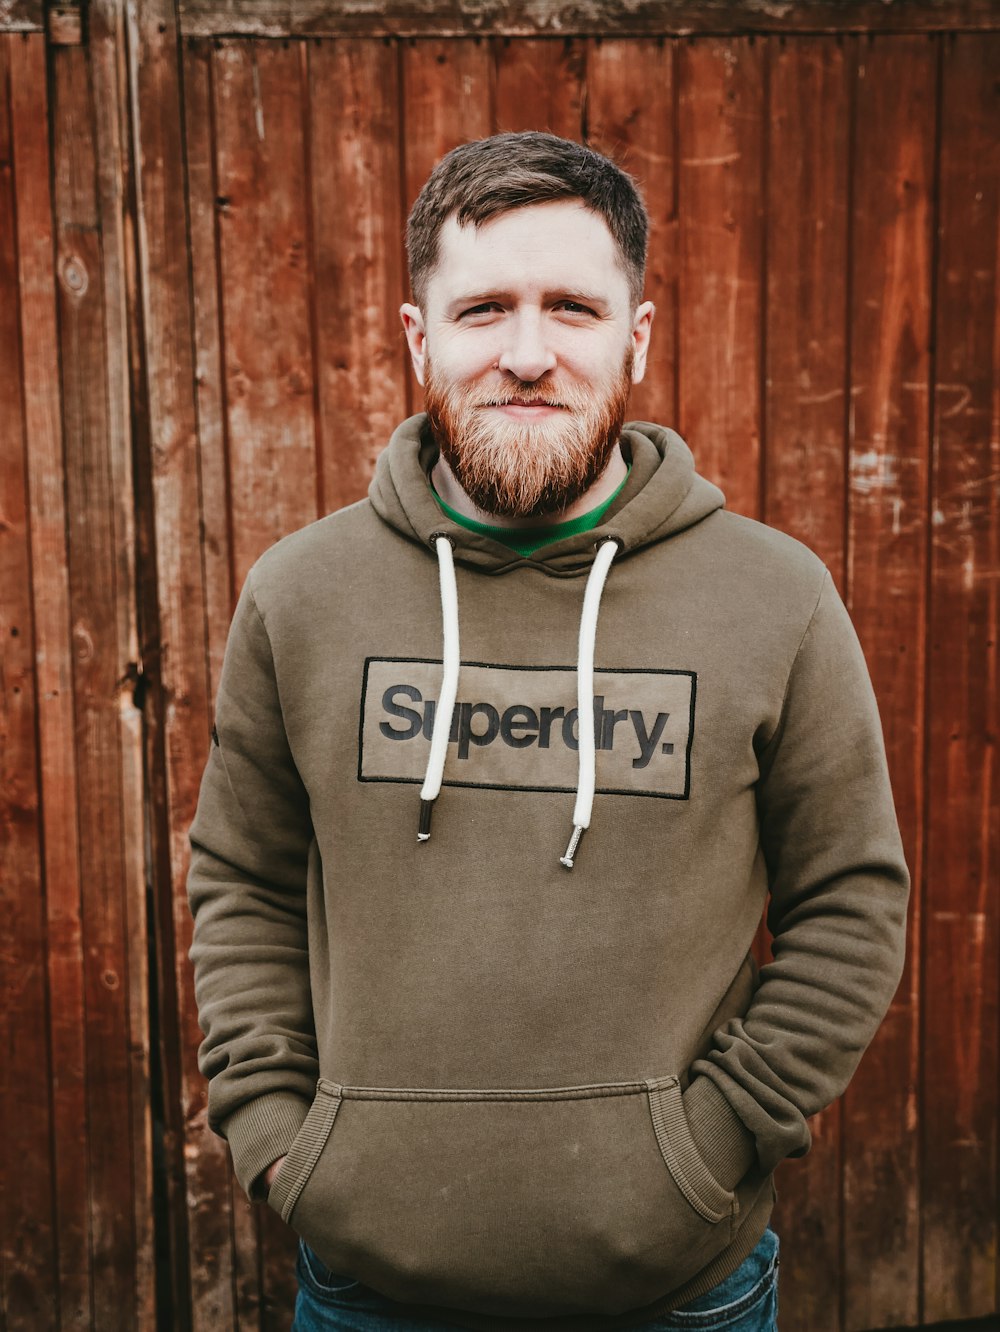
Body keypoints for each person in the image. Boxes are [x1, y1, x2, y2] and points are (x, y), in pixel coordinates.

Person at [187, 132, 909, 1332]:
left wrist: (706, 1147)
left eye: (571, 307)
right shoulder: (299, 595)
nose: (527, 354)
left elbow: (852, 903)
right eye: (482, 310)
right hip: (369, 1288)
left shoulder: (773, 596)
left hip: (680, 1290)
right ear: (420, 338)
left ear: (636, 335)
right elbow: (243, 879)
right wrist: (279, 1137)